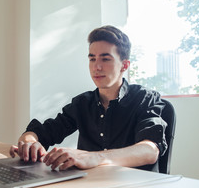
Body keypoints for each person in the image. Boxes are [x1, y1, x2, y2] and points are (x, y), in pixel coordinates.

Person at [9, 25, 167, 172]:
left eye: (105, 59)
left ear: (124, 66)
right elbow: (41, 132)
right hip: (90, 187)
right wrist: (29, 143)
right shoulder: (83, 103)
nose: (96, 67)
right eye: (92, 59)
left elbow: (150, 150)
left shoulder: (145, 98)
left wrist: (96, 157)